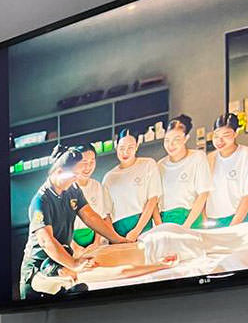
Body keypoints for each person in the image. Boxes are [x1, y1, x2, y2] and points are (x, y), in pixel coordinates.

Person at [19, 146, 126, 301]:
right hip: (39, 267)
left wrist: (117, 239)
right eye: (74, 174)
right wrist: (74, 263)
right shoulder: (40, 201)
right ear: (60, 172)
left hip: (61, 262)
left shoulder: (72, 190)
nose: (77, 179)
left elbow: (90, 217)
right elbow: (45, 241)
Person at [101, 128, 161, 238]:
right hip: (118, 229)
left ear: (137, 146)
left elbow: (152, 199)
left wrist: (137, 230)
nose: (125, 152)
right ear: (116, 146)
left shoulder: (148, 164)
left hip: (143, 226)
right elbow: (107, 213)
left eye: (130, 147)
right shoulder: (109, 178)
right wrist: (114, 237)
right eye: (122, 148)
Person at [205, 113, 248, 226]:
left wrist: (233, 225)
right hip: (214, 220)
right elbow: (203, 193)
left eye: (226, 135)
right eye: (216, 136)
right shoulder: (210, 159)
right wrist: (205, 219)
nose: (220, 141)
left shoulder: (246, 154)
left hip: (240, 218)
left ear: (235, 133)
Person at [156, 114, 211, 228]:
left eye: (176, 139)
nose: (171, 145)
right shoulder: (160, 166)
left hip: (191, 219)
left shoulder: (198, 157)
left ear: (186, 138)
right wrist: (160, 226)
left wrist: (186, 225)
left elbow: (203, 194)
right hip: (166, 220)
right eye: (167, 140)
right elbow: (154, 201)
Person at [70, 144, 110, 253]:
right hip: (71, 244)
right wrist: (76, 248)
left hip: (94, 243)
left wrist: (96, 244)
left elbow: (101, 219)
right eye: (83, 162)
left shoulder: (97, 186)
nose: (88, 167)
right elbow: (58, 227)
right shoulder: (66, 187)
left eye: (92, 162)